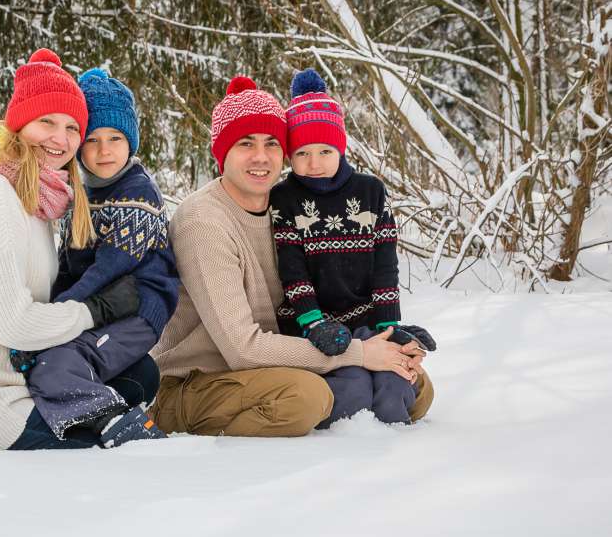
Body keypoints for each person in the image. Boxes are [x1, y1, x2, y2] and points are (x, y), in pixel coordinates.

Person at [148, 75, 433, 437]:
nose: (261, 156)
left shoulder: (286, 209)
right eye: (245, 143)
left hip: (272, 367)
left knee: (415, 389)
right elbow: (242, 350)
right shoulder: (204, 223)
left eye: (271, 143)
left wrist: (387, 344)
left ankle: (359, 393)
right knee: (307, 398)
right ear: (222, 153)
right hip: (199, 380)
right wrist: (360, 354)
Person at [0, 48, 150, 451]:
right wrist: (95, 311)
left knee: (139, 374)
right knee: (116, 449)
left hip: (16, 384)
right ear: (20, 125)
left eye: (73, 127)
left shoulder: (39, 204)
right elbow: (13, 324)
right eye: (47, 122)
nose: (61, 138)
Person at [8, 67, 177, 446]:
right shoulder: (81, 197)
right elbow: (68, 268)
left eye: (115, 138)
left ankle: (115, 421)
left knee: (56, 366)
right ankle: (90, 408)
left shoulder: (138, 193)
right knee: (50, 360)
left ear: (130, 142)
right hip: (98, 308)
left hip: (136, 311)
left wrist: (48, 325)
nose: (104, 151)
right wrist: (47, 319)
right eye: (94, 139)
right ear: (79, 145)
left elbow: (108, 270)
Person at [269, 68, 437, 427]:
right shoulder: (284, 197)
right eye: (301, 153)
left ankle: (401, 454)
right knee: (354, 393)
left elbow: (385, 266)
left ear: (341, 147)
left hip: (367, 321)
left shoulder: (371, 192)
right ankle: (344, 453)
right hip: (311, 326)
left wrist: (390, 327)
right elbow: (292, 269)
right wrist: (313, 322)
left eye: (325, 151)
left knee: (394, 387)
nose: (313, 164)